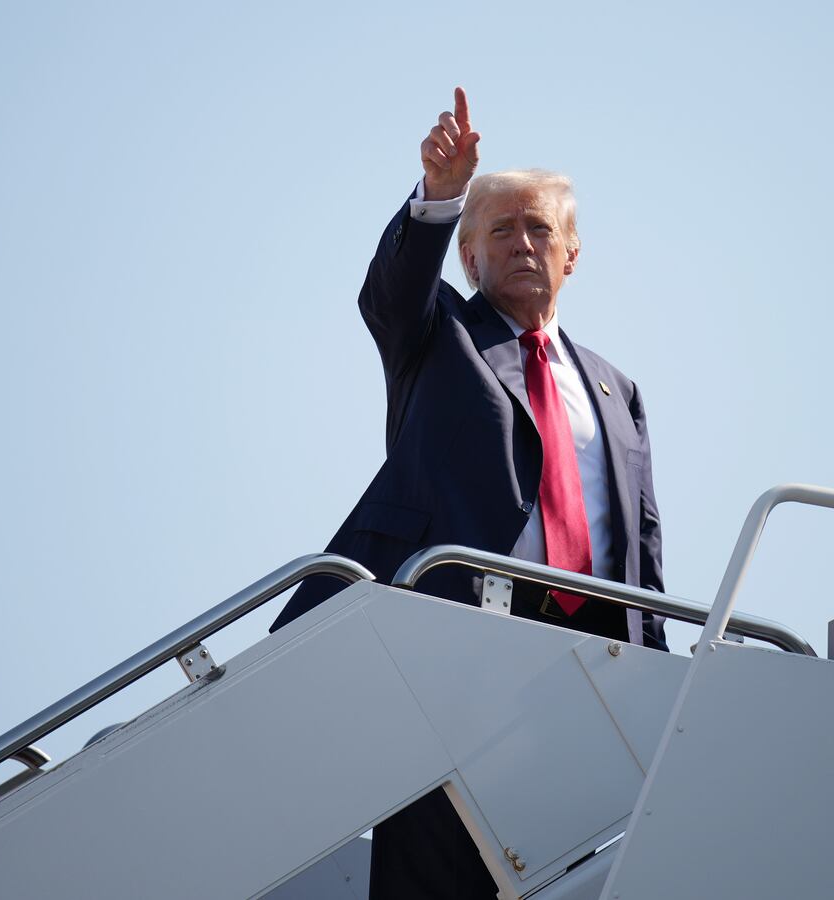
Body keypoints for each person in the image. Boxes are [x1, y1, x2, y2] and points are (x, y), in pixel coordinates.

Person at [269, 87, 668, 898]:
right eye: (500, 230)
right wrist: (441, 195)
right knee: (436, 853)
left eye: (539, 229)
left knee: (572, 859)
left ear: (571, 256)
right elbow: (391, 293)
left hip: (589, 649)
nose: (522, 243)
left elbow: (641, 542)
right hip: (454, 630)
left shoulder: (616, 388)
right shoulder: (438, 336)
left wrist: (657, 675)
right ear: (471, 259)